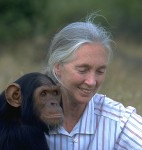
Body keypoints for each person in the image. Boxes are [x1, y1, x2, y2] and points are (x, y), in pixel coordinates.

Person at [45, 15, 142, 150]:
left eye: (100, 71)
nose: (91, 82)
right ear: (57, 66)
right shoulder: (22, 118)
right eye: (83, 70)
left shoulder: (117, 121)